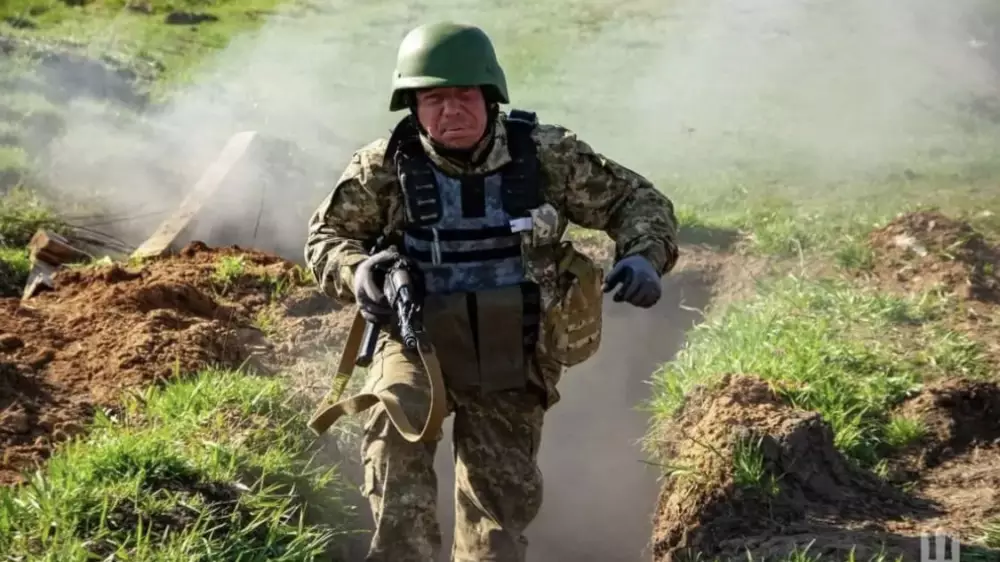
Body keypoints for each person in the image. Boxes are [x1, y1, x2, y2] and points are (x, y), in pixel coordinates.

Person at [304, 20, 679, 562]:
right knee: (392, 433)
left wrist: (644, 255)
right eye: (434, 100)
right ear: (412, 106)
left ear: (491, 97)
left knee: (496, 525)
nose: (450, 111)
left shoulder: (547, 156)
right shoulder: (384, 166)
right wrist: (357, 271)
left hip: (514, 350)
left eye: (464, 96)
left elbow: (639, 202)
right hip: (416, 341)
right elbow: (327, 237)